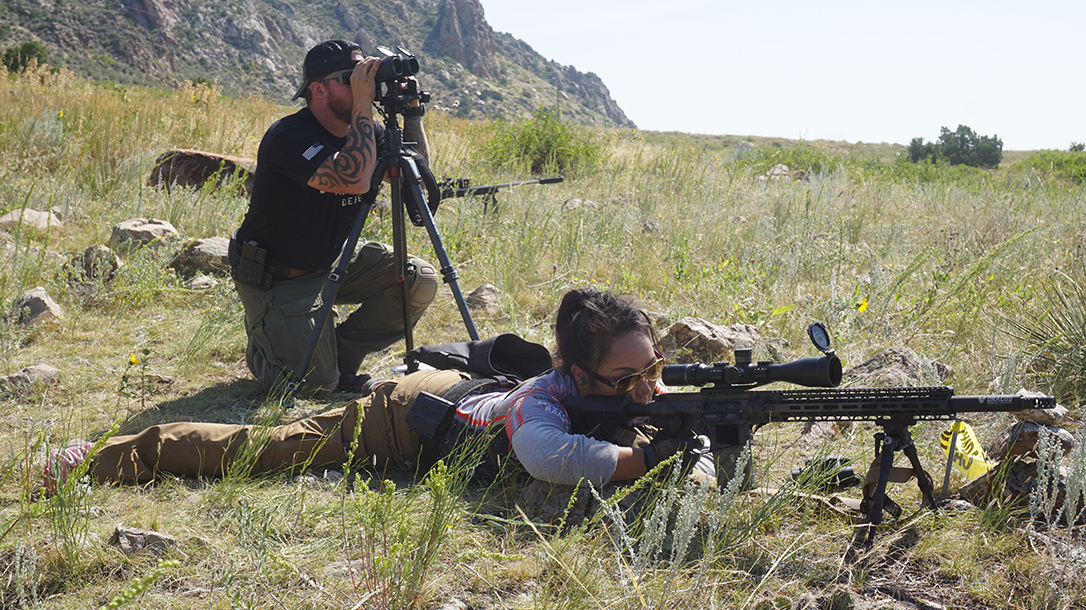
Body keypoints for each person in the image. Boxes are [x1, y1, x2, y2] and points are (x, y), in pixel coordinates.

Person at [45, 288, 711, 489]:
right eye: (628, 379)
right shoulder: (543, 401)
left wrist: (708, 436)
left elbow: (679, 441)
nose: (645, 388)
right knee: (267, 450)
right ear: (578, 372)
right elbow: (543, 454)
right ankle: (113, 453)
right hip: (403, 415)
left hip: (465, 386)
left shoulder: (623, 390)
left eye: (651, 371)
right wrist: (642, 461)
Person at [229, 39, 439, 394]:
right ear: (319, 90)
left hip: (331, 262)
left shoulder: (367, 132)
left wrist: (412, 111)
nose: (364, 85)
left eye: (365, 75)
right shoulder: (290, 136)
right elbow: (354, 180)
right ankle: (269, 350)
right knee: (312, 386)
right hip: (279, 278)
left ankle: (336, 353)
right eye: (351, 77)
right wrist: (362, 102)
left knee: (419, 280)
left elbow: (416, 170)